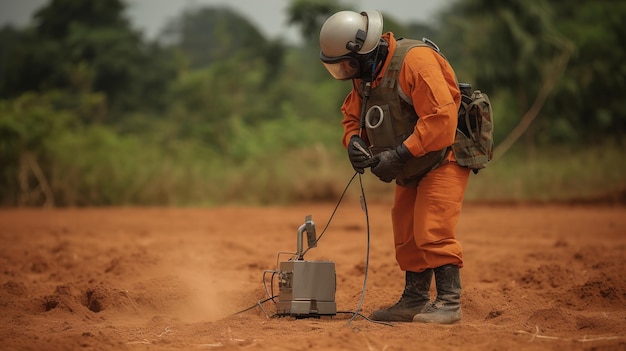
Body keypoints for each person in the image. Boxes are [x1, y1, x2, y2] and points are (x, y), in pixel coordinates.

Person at [319, 10, 470, 324]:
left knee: (432, 227)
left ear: (365, 51)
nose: (347, 72)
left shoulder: (416, 62)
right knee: (405, 230)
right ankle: (414, 299)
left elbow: (442, 121)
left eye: (349, 64)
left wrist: (400, 155)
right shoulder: (367, 77)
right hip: (410, 164)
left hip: (444, 156)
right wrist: (353, 143)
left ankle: (449, 303)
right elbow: (351, 120)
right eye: (339, 67)